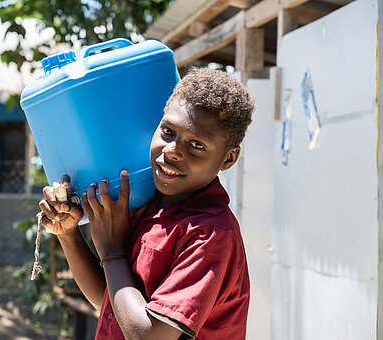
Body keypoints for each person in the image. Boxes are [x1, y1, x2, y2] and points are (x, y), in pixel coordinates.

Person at [38, 67, 255, 340]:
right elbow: (110, 303)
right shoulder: (151, 206)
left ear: (228, 158)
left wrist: (112, 250)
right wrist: (69, 234)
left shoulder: (210, 235)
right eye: (168, 131)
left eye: (197, 145)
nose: (172, 150)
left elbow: (147, 336)